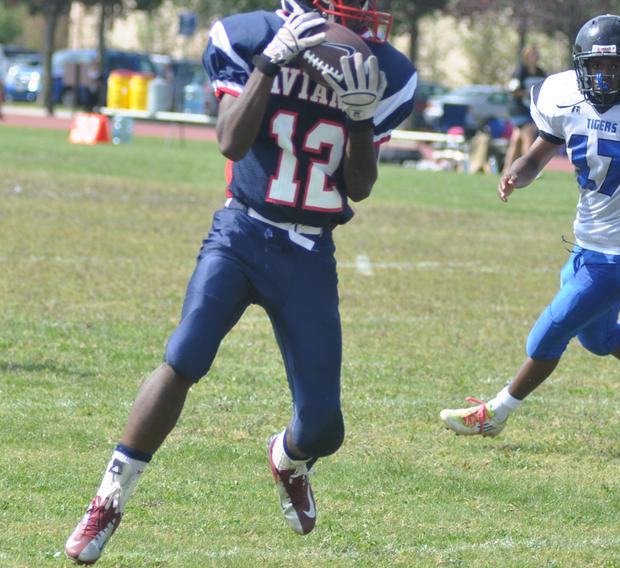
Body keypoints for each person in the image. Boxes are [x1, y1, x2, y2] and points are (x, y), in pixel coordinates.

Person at [64, 0, 416, 564]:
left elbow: (361, 185)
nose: (367, 15)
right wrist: (268, 65)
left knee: (324, 427)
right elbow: (230, 142)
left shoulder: (389, 72)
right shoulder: (249, 36)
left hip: (308, 250)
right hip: (242, 231)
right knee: (184, 357)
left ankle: (288, 459)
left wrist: (358, 115)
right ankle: (108, 499)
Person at [440, 14, 620, 441]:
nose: (605, 76)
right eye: (596, 66)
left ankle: (495, 413)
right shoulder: (565, 99)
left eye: (614, 66)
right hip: (586, 244)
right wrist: (516, 172)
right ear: (581, 65)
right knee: (599, 336)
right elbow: (535, 157)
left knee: (548, 333)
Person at [502, 45, 547, 172]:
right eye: (530, 54)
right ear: (526, 56)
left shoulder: (540, 72)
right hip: (519, 108)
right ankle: (529, 169)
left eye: (535, 54)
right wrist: (527, 93)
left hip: (532, 109)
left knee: (516, 139)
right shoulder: (520, 71)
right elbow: (513, 91)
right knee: (528, 134)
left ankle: (507, 169)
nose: (533, 57)